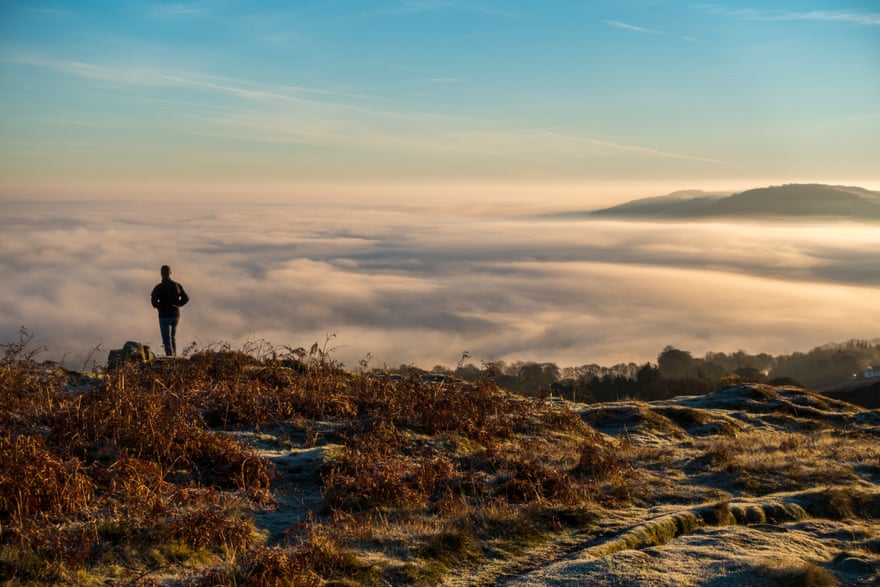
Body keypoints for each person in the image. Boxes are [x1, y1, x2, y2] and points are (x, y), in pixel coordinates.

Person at [150, 265, 189, 356]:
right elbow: (186, 298)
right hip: (175, 315)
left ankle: (170, 357)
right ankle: (174, 356)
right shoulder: (177, 285)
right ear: (170, 273)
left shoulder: (159, 287)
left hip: (164, 315)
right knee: (172, 337)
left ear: (161, 274)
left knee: (166, 339)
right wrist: (178, 305)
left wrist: (158, 307)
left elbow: (153, 300)